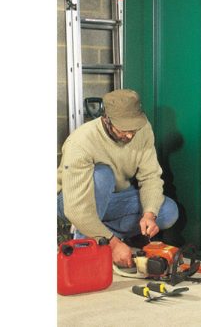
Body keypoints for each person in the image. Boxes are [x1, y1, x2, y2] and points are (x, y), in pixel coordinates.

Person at [57, 89, 179, 267]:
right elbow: (75, 209)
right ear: (106, 119)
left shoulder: (143, 130)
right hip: (72, 201)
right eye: (123, 129)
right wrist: (113, 244)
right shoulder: (80, 142)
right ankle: (84, 245)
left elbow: (150, 176)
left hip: (114, 199)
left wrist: (149, 215)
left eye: (133, 129)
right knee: (103, 175)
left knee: (168, 211)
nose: (129, 135)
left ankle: (98, 234)